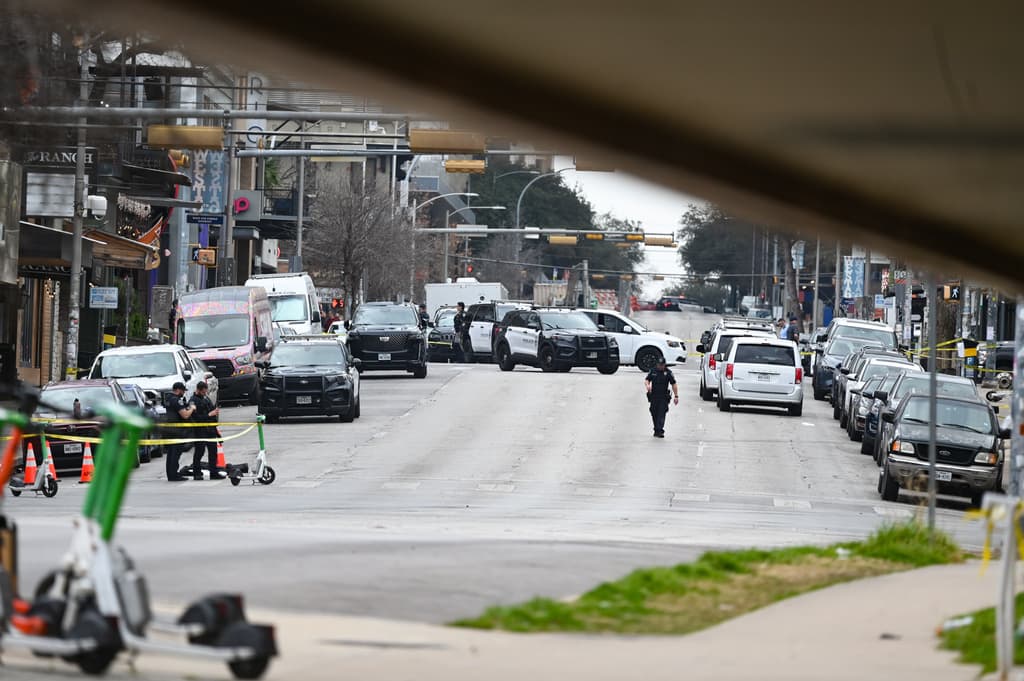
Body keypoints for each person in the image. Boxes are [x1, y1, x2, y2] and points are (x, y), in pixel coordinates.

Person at [189, 381, 220, 480]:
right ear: (198, 390)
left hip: (210, 429)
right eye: (203, 392)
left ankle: (214, 472)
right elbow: (195, 417)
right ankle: (197, 473)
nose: (204, 394)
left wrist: (216, 429)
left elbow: (212, 410)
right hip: (200, 430)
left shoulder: (206, 399)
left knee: (213, 452)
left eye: (205, 392)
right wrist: (209, 415)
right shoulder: (193, 401)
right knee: (199, 451)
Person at [165, 382, 195, 481]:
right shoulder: (176, 400)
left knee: (171, 453)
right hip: (177, 430)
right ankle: (174, 475)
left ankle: (171, 474)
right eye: (182, 391)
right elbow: (185, 415)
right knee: (175, 453)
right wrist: (191, 409)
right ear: (178, 390)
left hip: (170, 429)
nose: (183, 393)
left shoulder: (168, 399)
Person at [644, 357, 678, 438]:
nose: (660, 366)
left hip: (663, 396)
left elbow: (674, 384)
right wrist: (647, 385)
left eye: (662, 365)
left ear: (664, 365)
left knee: (661, 413)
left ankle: (660, 430)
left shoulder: (668, 372)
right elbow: (647, 380)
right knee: (654, 412)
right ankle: (656, 429)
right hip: (654, 396)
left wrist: (676, 396)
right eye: (659, 365)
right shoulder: (653, 371)